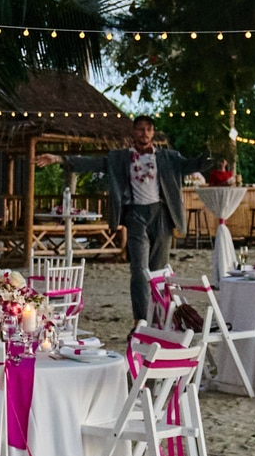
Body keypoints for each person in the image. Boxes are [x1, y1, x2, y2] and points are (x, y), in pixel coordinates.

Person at [64, 115, 203, 324]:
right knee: (138, 270)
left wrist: (211, 157)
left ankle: (160, 319)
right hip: (136, 215)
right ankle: (141, 320)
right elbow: (94, 163)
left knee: (160, 270)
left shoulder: (167, 157)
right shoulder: (121, 157)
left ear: (153, 132)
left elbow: (191, 164)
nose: (144, 133)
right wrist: (61, 160)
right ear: (133, 132)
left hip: (161, 216)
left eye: (148, 129)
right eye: (140, 129)